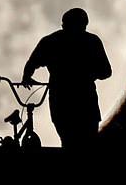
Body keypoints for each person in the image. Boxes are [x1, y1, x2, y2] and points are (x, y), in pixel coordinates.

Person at [22, 8, 112, 150]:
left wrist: (27, 76)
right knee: (85, 143)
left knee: (70, 142)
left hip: (66, 101)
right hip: (82, 102)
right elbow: (106, 72)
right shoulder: (91, 41)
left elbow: (32, 63)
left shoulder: (51, 41)